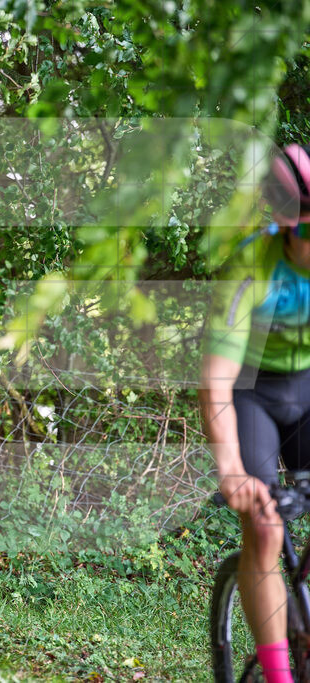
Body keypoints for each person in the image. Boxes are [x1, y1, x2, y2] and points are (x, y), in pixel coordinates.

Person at [200, 144, 310, 683]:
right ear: (290, 225)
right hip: (253, 393)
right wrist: (231, 470)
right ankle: (278, 675)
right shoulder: (252, 265)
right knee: (264, 527)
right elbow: (217, 378)